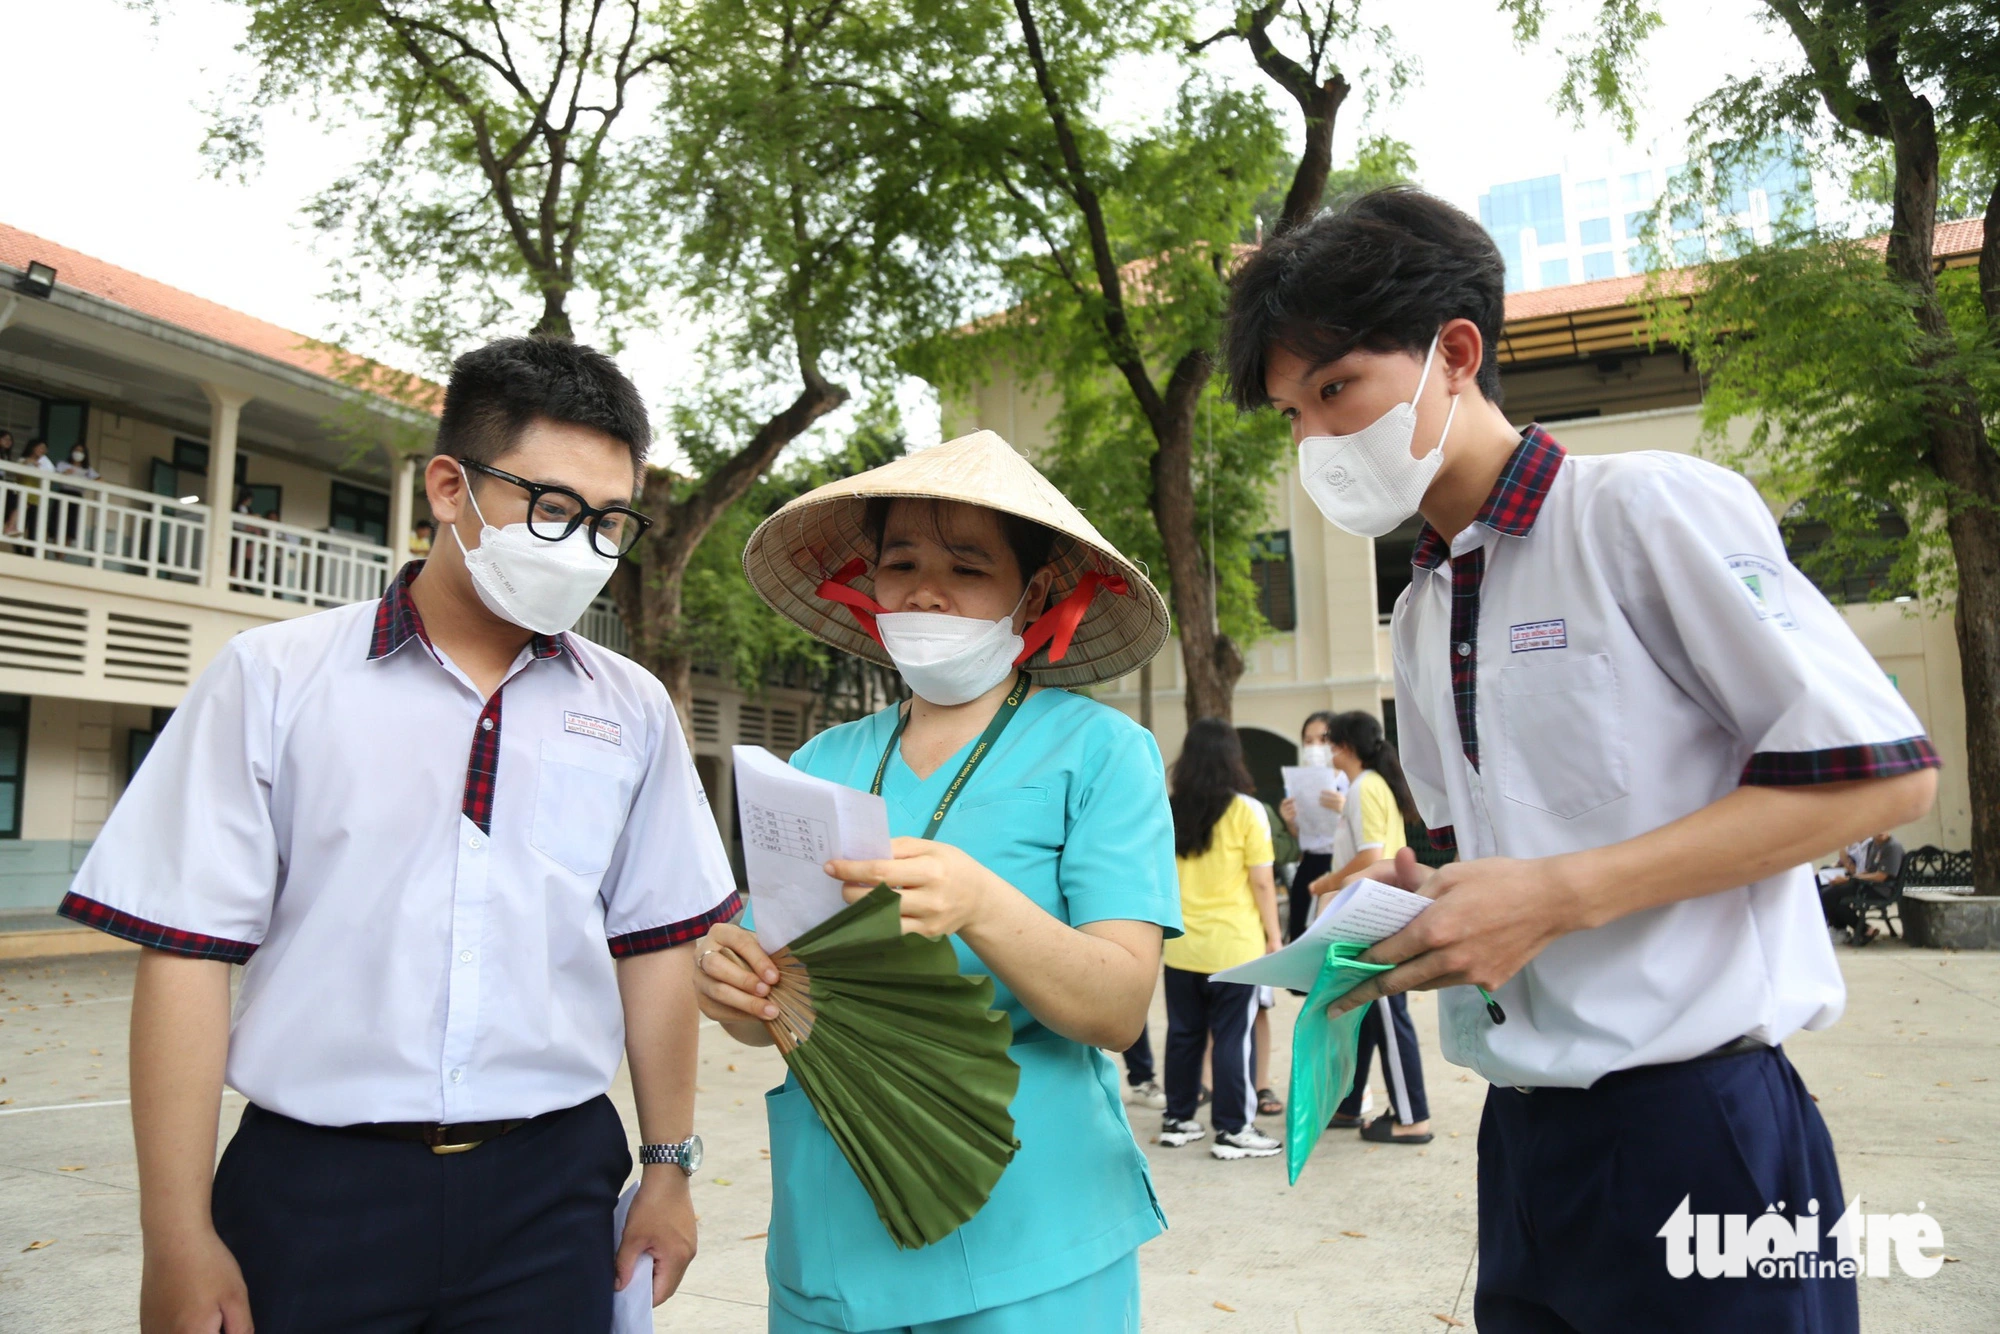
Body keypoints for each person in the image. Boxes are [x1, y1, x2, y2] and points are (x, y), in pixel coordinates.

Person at [1224, 186, 1939, 1332]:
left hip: (1696, 1124)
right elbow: (1497, 870)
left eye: (1332, 389)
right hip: (1523, 1140)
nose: (1311, 440)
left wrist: (1557, 894)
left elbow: (1880, 771)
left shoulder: (1642, 512)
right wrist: (1412, 896)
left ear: (1454, 353)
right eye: (1287, 415)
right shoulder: (1415, 609)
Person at [58, 336, 736, 1334]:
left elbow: (654, 945)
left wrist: (667, 1166)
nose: (581, 545)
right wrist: (176, 1233)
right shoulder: (275, 679)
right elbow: (187, 957)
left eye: (607, 521)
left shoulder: (630, 708)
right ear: (450, 487)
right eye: (550, 509)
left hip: (552, 1189)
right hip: (313, 1191)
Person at [695, 429, 1178, 1333]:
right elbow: (773, 999)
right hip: (831, 1225)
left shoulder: (1104, 752)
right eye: (902, 561)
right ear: (869, 584)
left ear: (1031, 593)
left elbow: (1118, 1008)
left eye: (967, 567)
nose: (926, 589)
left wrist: (985, 904)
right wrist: (731, 984)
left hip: (1032, 1230)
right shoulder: (821, 759)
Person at [1158, 717, 1285, 1161]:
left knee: (1184, 1033)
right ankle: (1233, 1129)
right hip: (1235, 948)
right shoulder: (1248, 811)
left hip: (1181, 945)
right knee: (1234, 1037)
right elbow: (1263, 884)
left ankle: (1177, 1119)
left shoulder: (1170, 808)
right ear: (1234, 758)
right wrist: (1275, 937)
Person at [1304, 710, 1431, 1142]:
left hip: (1370, 912)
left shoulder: (1364, 788)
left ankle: (1412, 1117)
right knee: (1366, 1011)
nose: (1325, 750)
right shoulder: (1370, 786)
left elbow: (1370, 856)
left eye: (1329, 742)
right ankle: (1350, 1103)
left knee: (1386, 1012)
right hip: (1374, 908)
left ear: (1345, 747)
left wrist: (1325, 883)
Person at [1278, 711, 1347, 942]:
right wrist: (1289, 821)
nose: (1315, 746)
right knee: (1303, 936)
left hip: (1342, 864)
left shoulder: (1350, 782)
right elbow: (1302, 836)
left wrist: (1344, 808)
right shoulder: (1299, 782)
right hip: (1309, 865)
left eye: (1322, 739)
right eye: (1308, 741)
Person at [1818, 831, 1906, 945]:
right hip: (1866, 884)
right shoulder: (1873, 845)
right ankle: (1860, 930)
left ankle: (1856, 929)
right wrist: (1850, 877)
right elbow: (1868, 870)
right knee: (1828, 892)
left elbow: (1881, 876)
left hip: (1880, 889)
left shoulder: (1892, 847)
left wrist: (1850, 879)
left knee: (1828, 895)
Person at [5, 436, 53, 538]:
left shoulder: (45, 463)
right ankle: (10, 527)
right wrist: (29, 462)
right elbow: (17, 471)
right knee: (20, 508)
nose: (42, 450)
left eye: (44, 448)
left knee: (32, 524)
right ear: (33, 447)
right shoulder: (23, 460)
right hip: (23, 492)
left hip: (36, 497)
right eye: (40, 447)